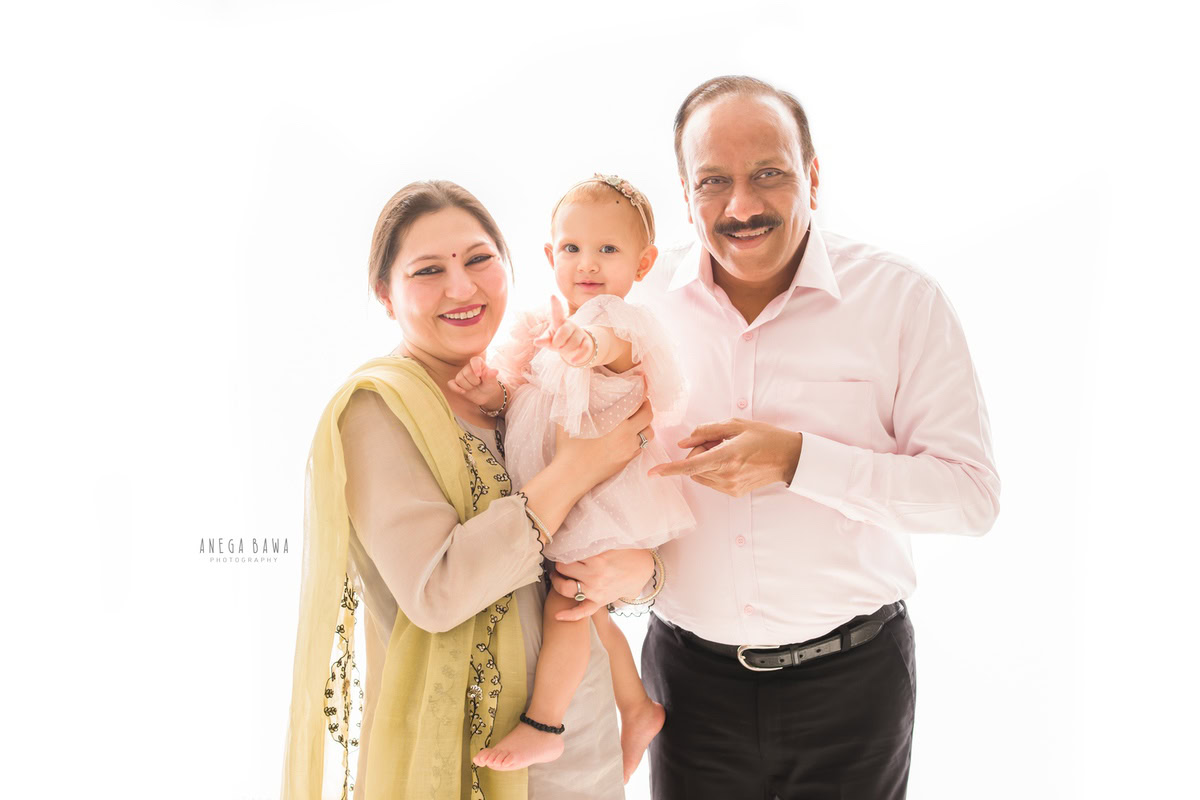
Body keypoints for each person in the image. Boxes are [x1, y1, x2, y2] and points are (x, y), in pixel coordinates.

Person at [580, 75, 1002, 799]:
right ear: (685, 196)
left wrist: (800, 461)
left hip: (854, 685)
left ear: (812, 176)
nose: (741, 207)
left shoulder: (902, 302)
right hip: (687, 686)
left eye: (768, 174)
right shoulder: (632, 315)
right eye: (714, 182)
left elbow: (970, 499)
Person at [279, 180, 658, 800]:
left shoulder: (516, 390)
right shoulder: (381, 410)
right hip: (471, 748)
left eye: (479, 260)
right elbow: (438, 591)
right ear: (385, 294)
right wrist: (573, 470)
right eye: (429, 270)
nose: (462, 288)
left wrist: (642, 569)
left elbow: (599, 537)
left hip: (579, 732)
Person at [450, 175, 691, 782]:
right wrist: (492, 393)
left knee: (568, 602)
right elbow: (526, 401)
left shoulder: (612, 318)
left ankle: (544, 725)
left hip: (599, 494)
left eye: (608, 250)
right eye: (572, 248)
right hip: (571, 484)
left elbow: (616, 348)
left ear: (643, 262)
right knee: (591, 608)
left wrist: (586, 345)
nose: (588, 263)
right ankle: (635, 707)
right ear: (551, 255)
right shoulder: (546, 324)